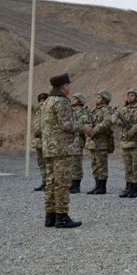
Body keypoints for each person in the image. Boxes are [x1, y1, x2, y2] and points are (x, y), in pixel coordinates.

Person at [39, 73, 92, 228]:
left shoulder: (48, 101)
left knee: (51, 183)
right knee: (62, 183)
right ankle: (61, 216)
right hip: (61, 149)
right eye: (68, 85)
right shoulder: (61, 102)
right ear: (64, 86)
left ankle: (50, 216)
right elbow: (66, 125)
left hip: (49, 148)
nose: (69, 88)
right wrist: (84, 128)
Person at [113, 88, 137, 198]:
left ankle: (135, 189)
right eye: (128, 95)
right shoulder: (125, 110)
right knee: (128, 167)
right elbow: (113, 116)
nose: (129, 97)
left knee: (136, 167)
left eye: (132, 95)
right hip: (126, 142)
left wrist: (134, 129)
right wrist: (120, 122)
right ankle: (129, 187)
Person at [86, 89, 114, 195]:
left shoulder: (106, 110)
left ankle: (102, 186)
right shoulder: (94, 110)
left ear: (104, 99)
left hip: (101, 141)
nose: (96, 99)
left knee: (101, 164)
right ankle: (97, 185)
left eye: (98, 97)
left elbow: (107, 122)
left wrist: (94, 131)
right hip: (93, 142)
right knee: (94, 164)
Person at [69, 93, 90, 194]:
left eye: (75, 99)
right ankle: (72, 184)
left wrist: (75, 125)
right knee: (71, 163)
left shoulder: (81, 112)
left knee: (76, 164)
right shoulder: (71, 111)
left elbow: (85, 122)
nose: (72, 100)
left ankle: (76, 185)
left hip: (77, 140)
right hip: (70, 141)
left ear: (80, 101)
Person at [32, 93, 48, 191]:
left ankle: (49, 183)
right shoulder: (38, 113)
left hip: (46, 140)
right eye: (40, 101)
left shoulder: (49, 112)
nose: (42, 103)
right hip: (39, 141)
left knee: (48, 163)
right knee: (41, 163)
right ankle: (44, 181)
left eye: (44, 101)